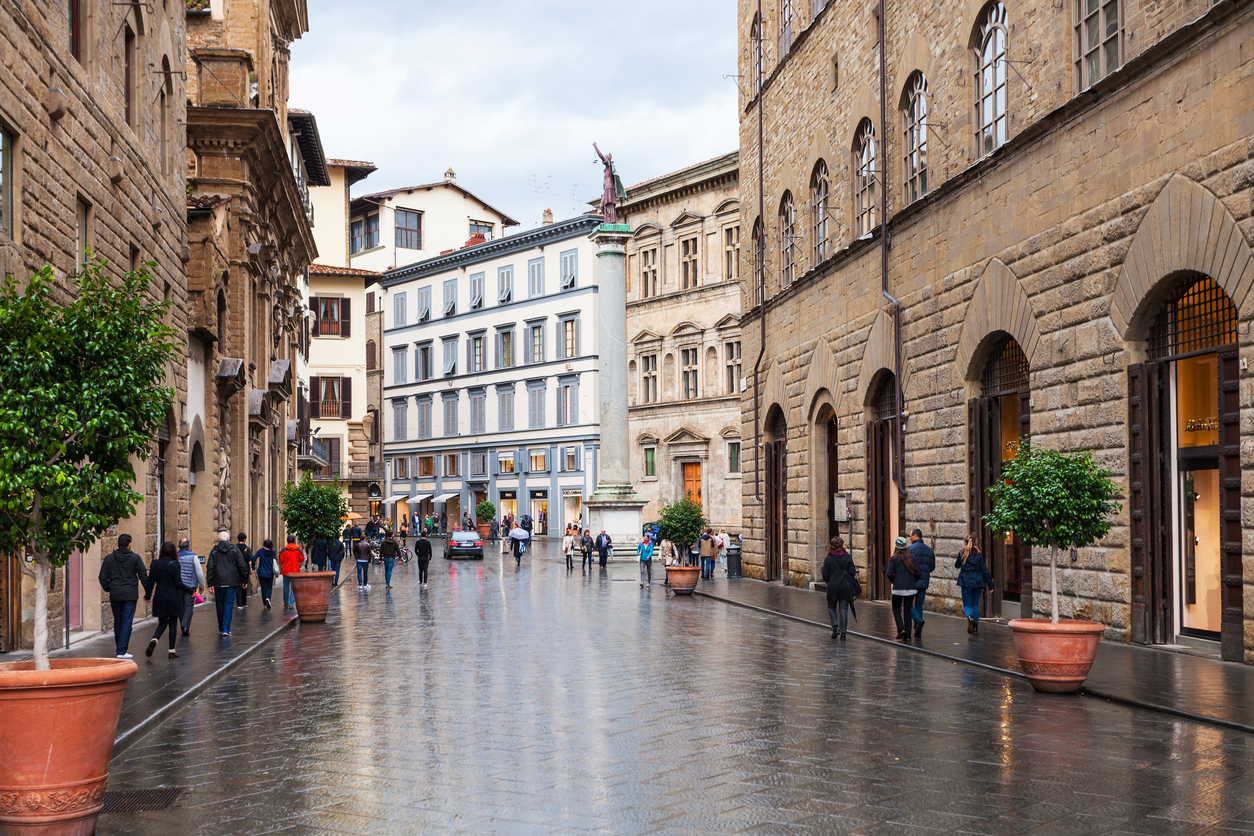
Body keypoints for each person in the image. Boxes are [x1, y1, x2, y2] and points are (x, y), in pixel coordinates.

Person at [98, 533, 149, 659]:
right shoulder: (135, 558)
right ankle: (121, 650)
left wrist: (109, 588)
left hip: (115, 592)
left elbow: (102, 577)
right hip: (130, 593)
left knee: (118, 621)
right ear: (129, 544)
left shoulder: (109, 558)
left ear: (118, 544)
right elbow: (143, 576)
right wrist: (148, 592)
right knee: (127, 621)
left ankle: (120, 647)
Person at [144, 541, 194, 660]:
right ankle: (171, 650)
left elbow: (150, 582)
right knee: (172, 623)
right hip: (173, 597)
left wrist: (147, 595)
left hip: (159, 596)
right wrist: (190, 591)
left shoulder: (154, 564)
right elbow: (179, 583)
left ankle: (155, 639)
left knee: (162, 623)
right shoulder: (175, 564)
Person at [206, 531, 249, 636]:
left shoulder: (214, 551)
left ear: (218, 539)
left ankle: (221, 626)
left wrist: (210, 583)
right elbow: (242, 565)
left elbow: (210, 567)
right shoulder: (235, 550)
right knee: (228, 604)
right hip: (232, 581)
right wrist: (244, 580)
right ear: (229, 539)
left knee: (219, 604)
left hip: (218, 581)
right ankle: (226, 628)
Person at [821, 536, 859, 639]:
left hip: (833, 586)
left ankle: (835, 627)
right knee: (843, 610)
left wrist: (829, 581)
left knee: (831, 607)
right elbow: (852, 571)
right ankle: (843, 633)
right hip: (844, 586)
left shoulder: (828, 558)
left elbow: (825, 574)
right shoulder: (847, 557)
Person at [956, 534, 994, 634]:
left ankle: (970, 617)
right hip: (978, 581)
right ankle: (976, 627)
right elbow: (984, 570)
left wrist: (961, 559)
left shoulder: (962, 553)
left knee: (967, 605)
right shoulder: (979, 554)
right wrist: (990, 585)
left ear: (965, 542)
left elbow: (957, 565)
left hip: (966, 582)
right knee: (975, 605)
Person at [886, 536, 919, 641]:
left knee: (896, 609)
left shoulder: (894, 559)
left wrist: (893, 580)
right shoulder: (912, 558)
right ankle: (908, 636)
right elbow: (918, 572)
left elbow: (889, 573)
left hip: (898, 588)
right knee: (907, 611)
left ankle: (901, 629)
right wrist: (913, 581)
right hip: (911, 588)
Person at [907, 528, 936, 638]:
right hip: (923, 581)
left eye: (910, 535)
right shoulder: (929, 550)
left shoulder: (909, 549)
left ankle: (918, 620)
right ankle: (917, 629)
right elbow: (932, 567)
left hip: (912, 581)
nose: (909, 538)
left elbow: (907, 565)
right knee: (919, 605)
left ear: (915, 536)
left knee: (907, 603)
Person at [176, 538, 206, 637]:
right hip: (190, 586)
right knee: (188, 606)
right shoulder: (193, 556)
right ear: (188, 546)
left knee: (180, 606)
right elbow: (199, 572)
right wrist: (201, 585)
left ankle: (182, 625)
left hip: (179, 585)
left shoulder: (176, 556)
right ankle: (185, 626)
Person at [279, 535, 303, 609]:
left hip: (286, 571)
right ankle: (291, 603)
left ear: (287, 541)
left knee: (286, 587)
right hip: (295, 571)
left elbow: (280, 560)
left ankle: (286, 602)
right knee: (294, 588)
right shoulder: (298, 550)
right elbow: (301, 559)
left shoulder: (284, 550)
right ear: (294, 541)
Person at [252, 538, 277, 609]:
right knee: (269, 587)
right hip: (270, 572)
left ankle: (265, 603)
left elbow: (254, 558)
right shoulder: (273, 552)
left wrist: (253, 568)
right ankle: (268, 598)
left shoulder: (261, 551)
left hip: (261, 572)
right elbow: (274, 560)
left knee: (263, 587)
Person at [235, 533, 251, 609]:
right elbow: (250, 558)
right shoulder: (247, 549)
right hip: (245, 569)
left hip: (236, 569)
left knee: (238, 586)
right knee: (244, 585)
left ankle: (239, 603)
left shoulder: (234, 548)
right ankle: (244, 602)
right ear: (244, 539)